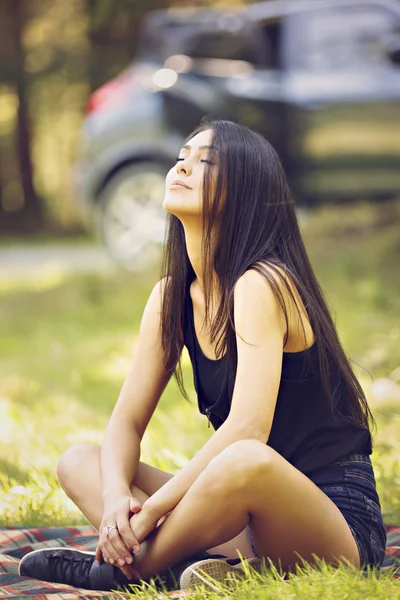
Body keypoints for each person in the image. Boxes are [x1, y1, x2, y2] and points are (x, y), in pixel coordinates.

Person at [19, 118, 386, 592]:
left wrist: (153, 510)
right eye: (182, 157)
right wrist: (115, 502)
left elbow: (245, 430)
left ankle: (121, 571)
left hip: (330, 523)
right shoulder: (172, 297)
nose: (183, 167)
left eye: (205, 162)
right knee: (80, 460)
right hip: (243, 522)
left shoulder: (261, 285)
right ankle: (182, 565)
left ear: (244, 192)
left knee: (243, 460)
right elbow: (126, 424)